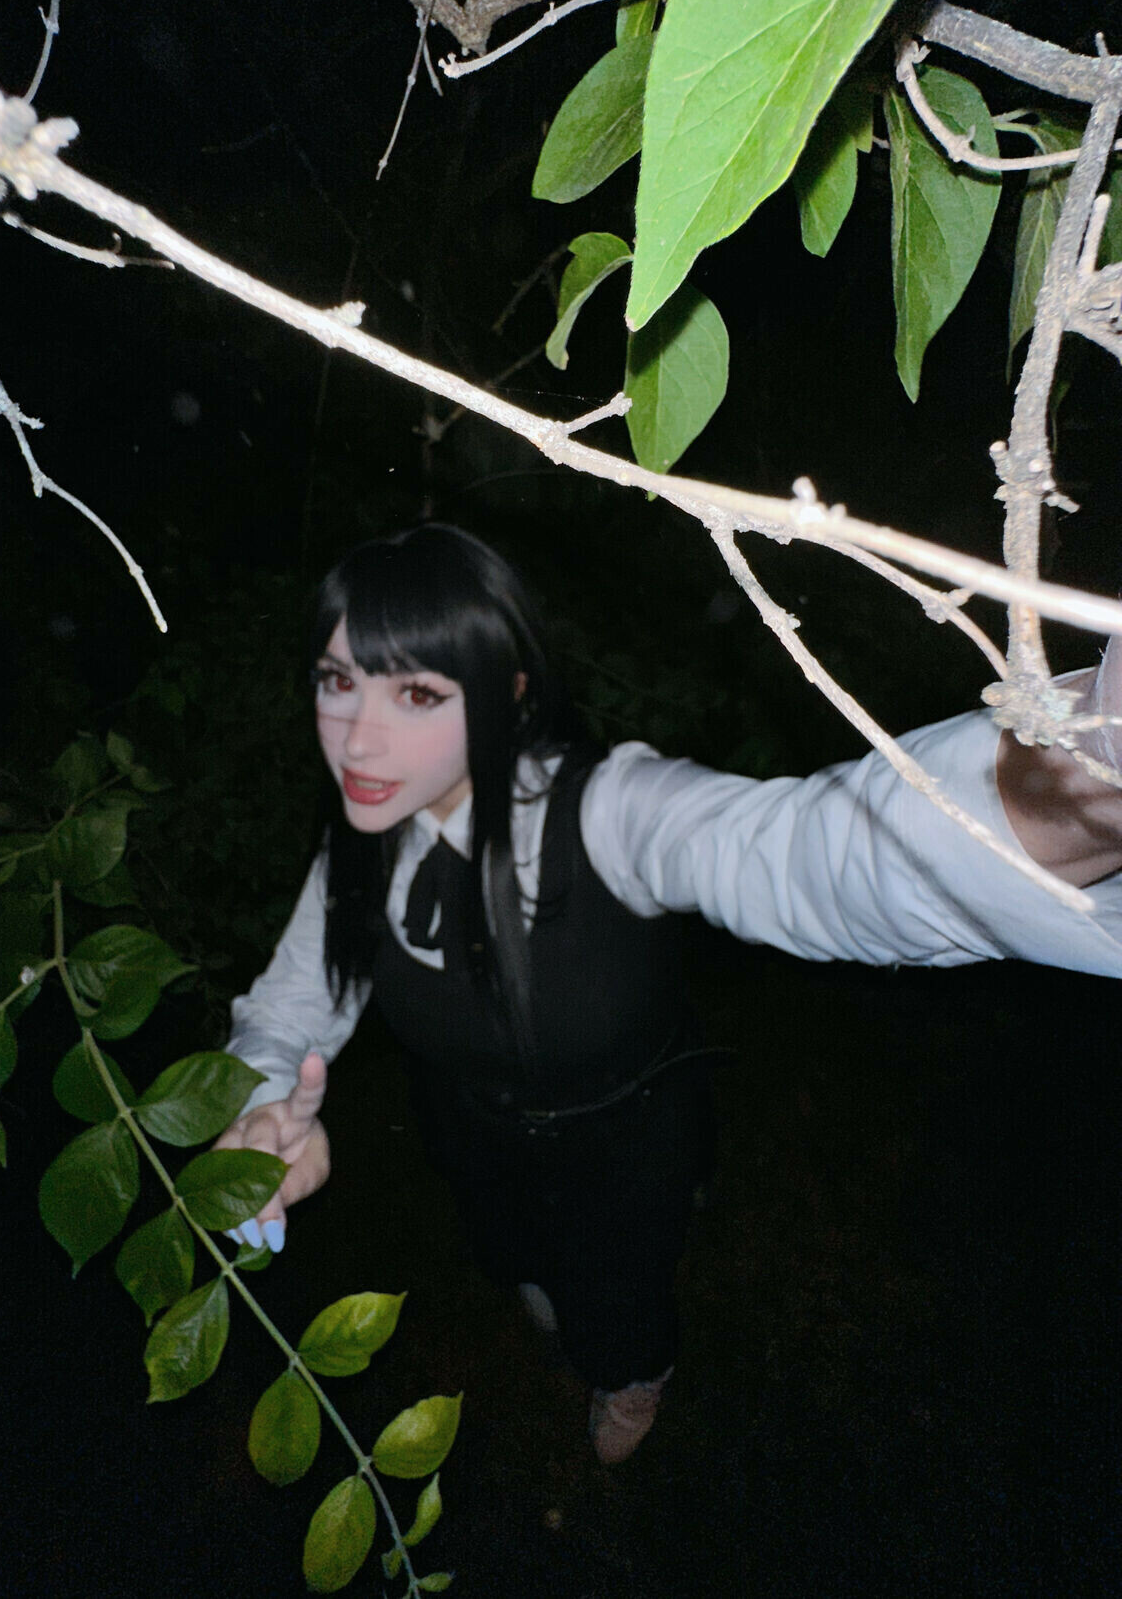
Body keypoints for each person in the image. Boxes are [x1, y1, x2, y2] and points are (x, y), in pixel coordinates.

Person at [218, 524, 1122, 1464]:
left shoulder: (611, 810)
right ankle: (544, 1281)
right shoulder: (359, 847)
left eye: (416, 692)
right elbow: (286, 1008)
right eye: (337, 680)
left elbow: (813, 854)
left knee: (623, 1288)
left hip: (625, 1140)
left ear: (510, 692)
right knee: (511, 1247)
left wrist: (1080, 779)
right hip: (476, 1133)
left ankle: (636, 1374)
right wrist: (260, 1097)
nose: (357, 737)